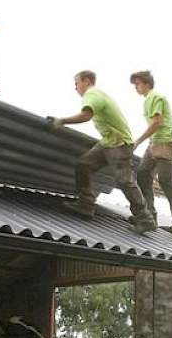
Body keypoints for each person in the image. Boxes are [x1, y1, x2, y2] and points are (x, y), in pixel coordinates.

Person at [51, 70, 157, 234]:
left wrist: (62, 121)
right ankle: (86, 204)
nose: (75, 87)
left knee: (124, 181)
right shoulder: (98, 94)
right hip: (108, 142)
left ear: (86, 81)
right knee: (84, 165)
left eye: (76, 83)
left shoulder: (92, 94)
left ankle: (145, 219)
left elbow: (86, 115)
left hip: (119, 143)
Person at [130, 70, 172, 236]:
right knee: (142, 174)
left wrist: (138, 141)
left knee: (166, 182)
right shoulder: (147, 101)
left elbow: (156, 123)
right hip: (154, 144)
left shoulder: (156, 97)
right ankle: (149, 217)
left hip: (165, 144)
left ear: (147, 83)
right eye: (134, 84)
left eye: (138, 84)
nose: (136, 87)